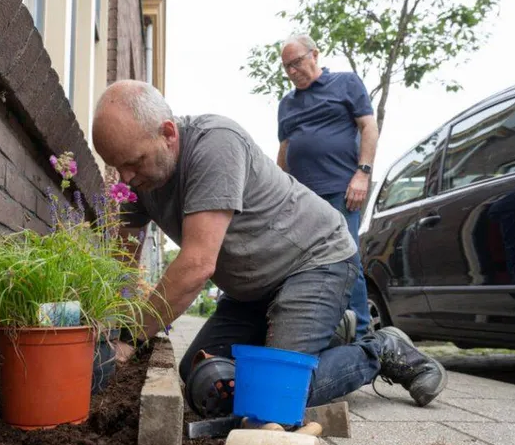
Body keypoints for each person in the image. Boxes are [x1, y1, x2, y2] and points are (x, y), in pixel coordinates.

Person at [91, 79, 447, 409]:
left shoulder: (215, 144)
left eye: (133, 163)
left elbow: (197, 265)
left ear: (168, 133)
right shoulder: (137, 180)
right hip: (250, 290)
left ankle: (379, 349)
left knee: (271, 393)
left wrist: (129, 341)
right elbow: (121, 262)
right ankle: (324, 334)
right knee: (203, 377)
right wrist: (107, 325)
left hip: (315, 262)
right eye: (116, 167)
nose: (126, 178)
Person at [277, 34, 377, 338]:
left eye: (296, 63)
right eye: (286, 67)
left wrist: (363, 173)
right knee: (304, 265)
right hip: (302, 197)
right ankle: (321, 330)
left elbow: (369, 126)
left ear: (314, 55)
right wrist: (278, 191)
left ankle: (363, 335)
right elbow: (284, 149)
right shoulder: (286, 104)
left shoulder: (346, 83)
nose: (293, 71)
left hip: (340, 190)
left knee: (347, 260)